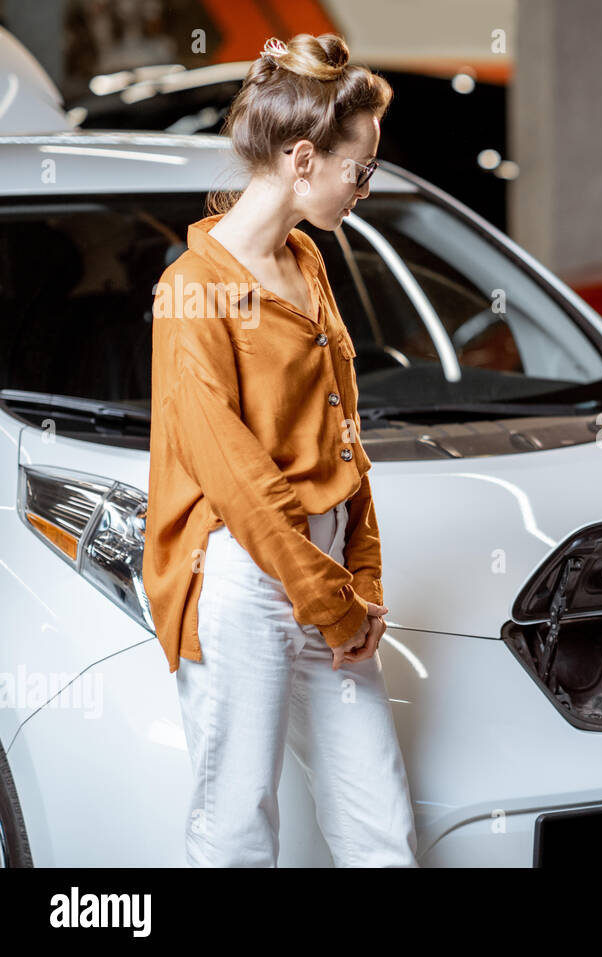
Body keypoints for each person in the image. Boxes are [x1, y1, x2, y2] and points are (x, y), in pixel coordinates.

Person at [142, 33, 418, 867]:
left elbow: (344, 432)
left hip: (324, 575)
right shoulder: (191, 291)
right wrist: (333, 599)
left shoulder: (305, 256)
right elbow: (237, 476)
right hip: (241, 581)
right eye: (358, 170)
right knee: (236, 830)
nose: (364, 189)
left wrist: (360, 576)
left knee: (382, 830)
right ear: (303, 159)